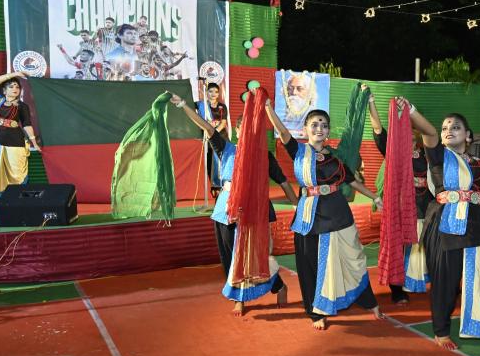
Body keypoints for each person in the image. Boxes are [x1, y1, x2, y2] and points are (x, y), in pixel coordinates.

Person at [171, 92, 297, 315]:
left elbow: (284, 182)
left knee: (255, 258)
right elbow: (206, 127)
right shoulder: (227, 149)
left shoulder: (265, 156)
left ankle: (278, 286)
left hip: (253, 213)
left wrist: (297, 206)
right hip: (226, 210)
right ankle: (238, 297)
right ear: (238, 131)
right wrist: (182, 105)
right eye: (244, 128)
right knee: (230, 257)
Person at [265, 101, 385, 330]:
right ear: (305, 129)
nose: (319, 128)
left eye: (324, 125)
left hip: (337, 214)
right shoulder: (299, 151)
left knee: (352, 259)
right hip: (309, 217)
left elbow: (352, 181)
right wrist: (268, 109)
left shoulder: (336, 158)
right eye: (314, 124)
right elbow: (282, 131)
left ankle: (369, 302)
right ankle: (315, 311)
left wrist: (375, 197)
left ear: (328, 131)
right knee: (309, 266)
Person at [413, 110, 480, 350]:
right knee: (445, 279)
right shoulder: (438, 156)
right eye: (445, 128)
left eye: (455, 127)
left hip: (476, 224)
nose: (448, 131)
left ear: (468, 136)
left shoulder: (479, 165)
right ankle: (441, 330)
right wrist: (412, 111)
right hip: (445, 224)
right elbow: (428, 132)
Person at [366, 89, 437, 304]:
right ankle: (397, 289)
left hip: (426, 207)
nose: (411, 134)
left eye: (414, 130)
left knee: (428, 246)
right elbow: (378, 130)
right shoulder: (393, 151)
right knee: (400, 246)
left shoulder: (428, 153)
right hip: (401, 208)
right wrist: (371, 102)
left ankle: (433, 281)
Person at [0, 71, 42, 200]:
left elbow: (27, 124)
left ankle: (19, 199)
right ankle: (5, 199)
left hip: (16, 141)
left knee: (18, 173)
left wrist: (34, 143)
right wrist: (16, 74)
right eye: (11, 86)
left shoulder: (22, 106)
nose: (15, 89)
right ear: (4, 91)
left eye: (17, 87)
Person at [196, 82, 229, 197]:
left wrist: (214, 133)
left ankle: (223, 186)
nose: (213, 94)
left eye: (216, 92)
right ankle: (214, 187)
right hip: (208, 139)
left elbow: (223, 123)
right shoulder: (202, 106)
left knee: (222, 162)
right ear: (206, 93)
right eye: (210, 91)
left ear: (219, 94)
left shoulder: (222, 107)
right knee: (210, 162)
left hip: (221, 137)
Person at [278, 71, 317, 138]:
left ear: (310, 93)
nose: (294, 92)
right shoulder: (284, 112)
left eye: (300, 89)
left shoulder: (314, 115)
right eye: (290, 88)